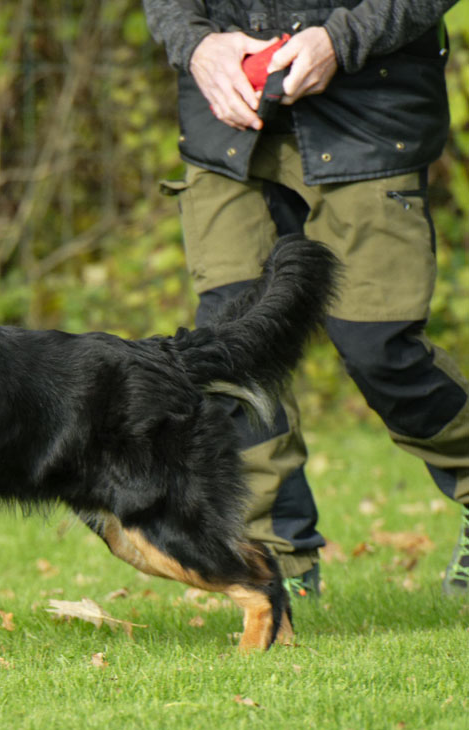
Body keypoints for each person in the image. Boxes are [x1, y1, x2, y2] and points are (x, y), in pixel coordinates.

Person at [143, 0, 469, 597]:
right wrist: (194, 43)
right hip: (229, 117)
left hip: (369, 112)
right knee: (230, 350)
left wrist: (340, 40)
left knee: (380, 347)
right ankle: (280, 562)